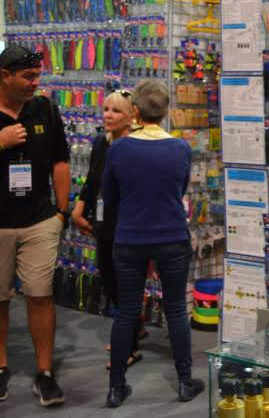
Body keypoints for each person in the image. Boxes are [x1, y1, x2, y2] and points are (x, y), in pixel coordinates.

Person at [102, 79, 204, 407]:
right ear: (167, 110)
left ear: (135, 110)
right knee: (176, 310)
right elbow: (179, 190)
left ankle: (116, 388)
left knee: (127, 312)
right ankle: (185, 381)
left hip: (130, 237)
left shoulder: (119, 149)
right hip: (172, 236)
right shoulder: (180, 148)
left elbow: (109, 196)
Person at [0, 45, 69, 407]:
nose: (35, 82)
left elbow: (60, 161)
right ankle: (1, 367)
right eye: (28, 76)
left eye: (37, 75)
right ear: (4, 76)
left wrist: (62, 212)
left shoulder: (44, 108)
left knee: (41, 296)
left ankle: (45, 373)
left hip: (40, 221)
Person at [70, 90, 144, 369]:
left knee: (125, 283)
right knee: (109, 277)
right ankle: (133, 326)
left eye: (116, 111)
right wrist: (79, 209)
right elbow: (92, 178)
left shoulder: (137, 145)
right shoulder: (102, 141)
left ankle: (129, 345)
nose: (108, 115)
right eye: (106, 109)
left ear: (131, 115)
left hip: (129, 222)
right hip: (104, 220)